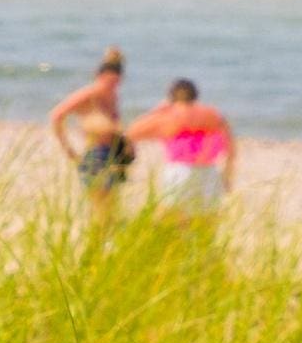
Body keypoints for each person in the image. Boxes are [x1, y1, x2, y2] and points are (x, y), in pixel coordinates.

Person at [126, 77, 235, 215]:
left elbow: (132, 131)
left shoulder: (169, 116)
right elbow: (231, 151)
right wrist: (227, 178)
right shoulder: (213, 115)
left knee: (172, 221)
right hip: (209, 171)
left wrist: (157, 110)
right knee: (207, 223)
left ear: (171, 97)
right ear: (195, 95)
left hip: (179, 171)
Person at [46, 49, 136, 218]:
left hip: (113, 154)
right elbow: (57, 115)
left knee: (111, 208)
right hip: (96, 153)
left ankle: (106, 242)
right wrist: (68, 148)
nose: (111, 86)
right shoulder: (89, 93)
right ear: (98, 76)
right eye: (108, 81)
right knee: (101, 208)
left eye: (115, 82)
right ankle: (98, 242)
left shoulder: (113, 95)